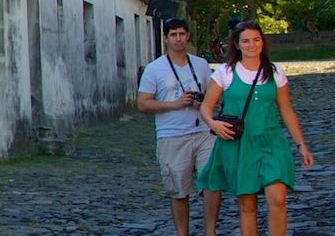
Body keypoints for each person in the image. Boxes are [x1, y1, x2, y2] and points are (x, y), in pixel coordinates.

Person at [197, 21, 317, 236]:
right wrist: (213, 123)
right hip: (240, 145)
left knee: (278, 199)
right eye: (246, 41)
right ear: (237, 44)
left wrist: (301, 145)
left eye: (256, 39)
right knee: (248, 205)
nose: (252, 45)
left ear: (263, 41)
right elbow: (206, 106)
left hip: (271, 142)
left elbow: (286, 110)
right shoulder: (226, 72)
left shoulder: (274, 72)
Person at [136, 18, 221, 236]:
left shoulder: (200, 64)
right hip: (172, 135)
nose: (178, 39)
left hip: (203, 131)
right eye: (173, 35)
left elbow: (214, 97)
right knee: (179, 190)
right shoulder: (155, 69)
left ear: (188, 36)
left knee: (212, 183)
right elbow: (143, 103)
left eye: (182, 34)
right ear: (165, 38)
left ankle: (210, 232)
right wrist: (175, 104)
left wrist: (201, 103)